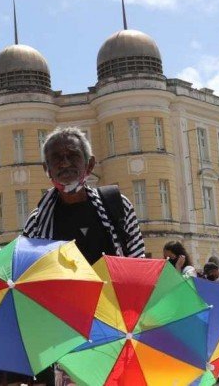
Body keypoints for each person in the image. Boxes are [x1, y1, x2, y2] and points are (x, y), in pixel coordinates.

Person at [21, 127, 145, 385]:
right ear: (46, 169)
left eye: (72, 155)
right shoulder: (36, 224)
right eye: (56, 158)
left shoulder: (117, 206)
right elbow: (29, 285)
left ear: (89, 164)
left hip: (117, 328)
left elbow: (139, 270)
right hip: (64, 334)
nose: (64, 163)